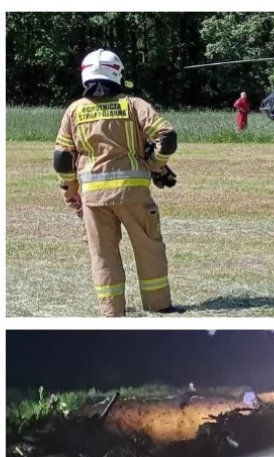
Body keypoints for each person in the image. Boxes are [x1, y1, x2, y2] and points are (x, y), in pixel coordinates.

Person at [53, 49, 178, 317]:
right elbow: (166, 137)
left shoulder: (74, 111)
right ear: (117, 73)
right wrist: (155, 164)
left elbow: (63, 158)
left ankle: (111, 312)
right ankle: (159, 306)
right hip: (134, 194)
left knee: (103, 255)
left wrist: (70, 190)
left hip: (93, 199)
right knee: (148, 248)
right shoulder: (133, 105)